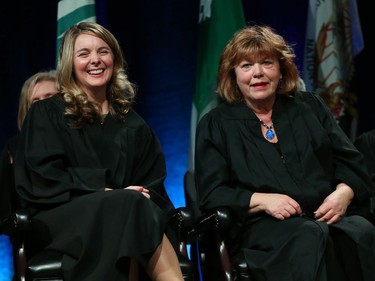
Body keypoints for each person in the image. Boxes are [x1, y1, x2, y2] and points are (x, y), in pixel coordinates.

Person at [194, 25, 375, 281]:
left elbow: (352, 161)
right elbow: (213, 194)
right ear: (233, 75)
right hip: (263, 229)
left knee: (361, 231)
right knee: (309, 235)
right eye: (246, 66)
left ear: (281, 69)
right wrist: (263, 200)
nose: (258, 73)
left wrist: (343, 195)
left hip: (325, 215)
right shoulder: (217, 125)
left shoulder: (309, 107)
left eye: (267, 63)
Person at [14, 22, 183, 281]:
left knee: (134, 209)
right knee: (130, 207)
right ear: (70, 63)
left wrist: (132, 198)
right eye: (84, 54)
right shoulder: (46, 112)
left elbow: (152, 184)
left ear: (114, 59)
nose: (95, 60)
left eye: (103, 51)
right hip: (61, 217)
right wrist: (104, 191)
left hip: (129, 214)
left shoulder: (132, 123)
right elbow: (41, 176)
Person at [0, 69, 58, 223]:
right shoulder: (15, 147)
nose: (42, 104)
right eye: (35, 100)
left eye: (49, 96)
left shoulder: (80, 137)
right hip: (35, 224)